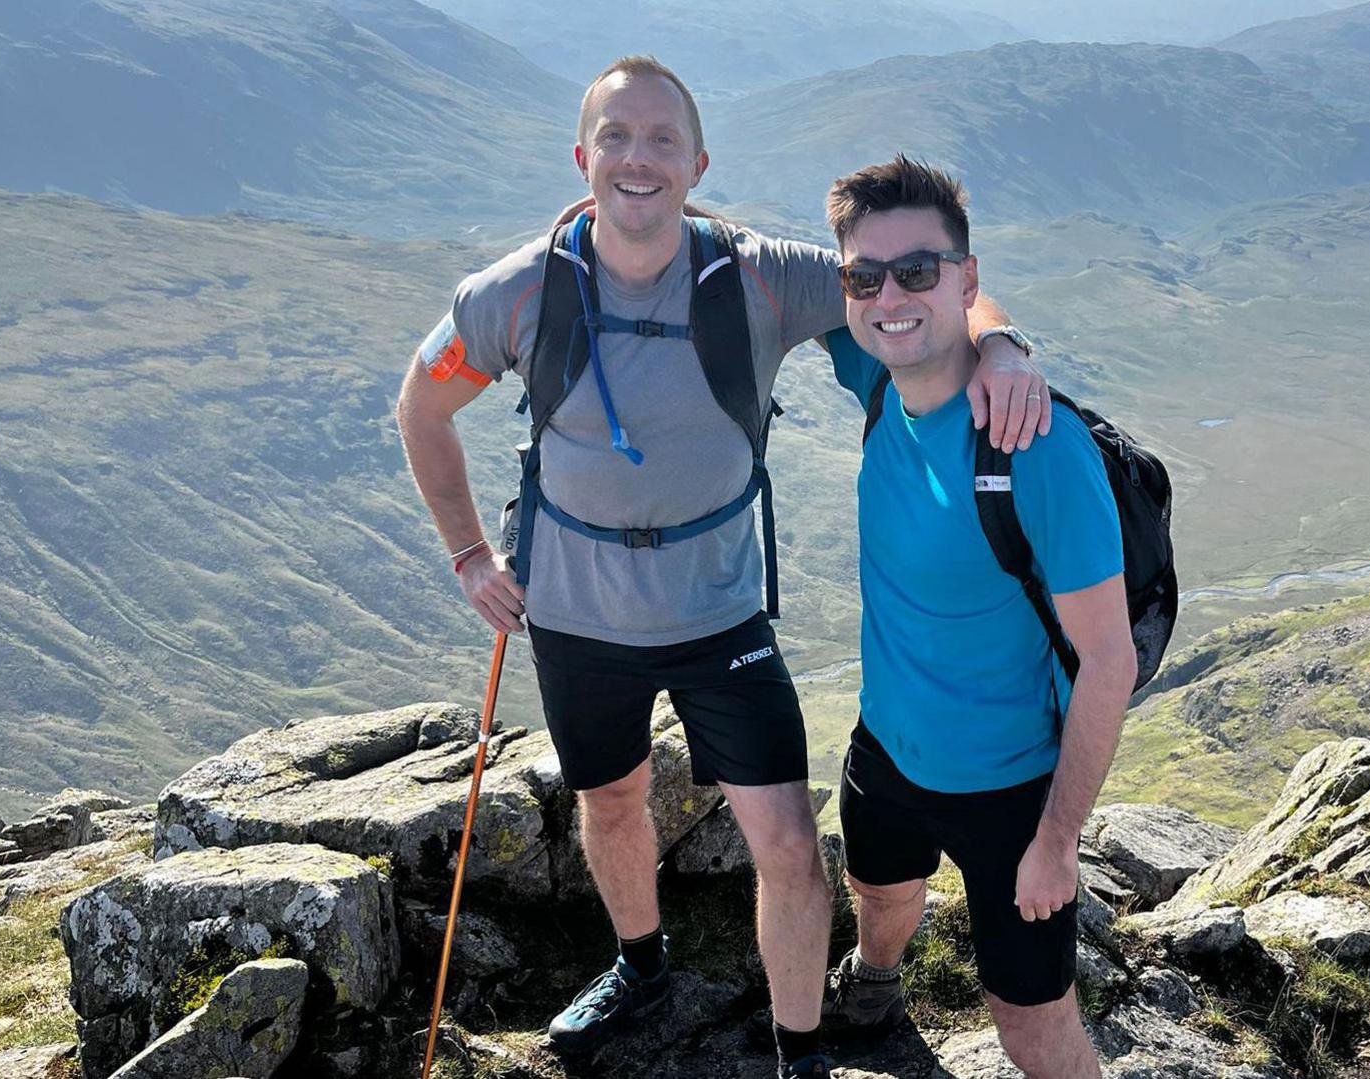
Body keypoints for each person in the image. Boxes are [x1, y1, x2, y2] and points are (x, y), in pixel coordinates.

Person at [393, 58, 1049, 1079]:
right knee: (609, 800)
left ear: (697, 163)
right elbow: (421, 405)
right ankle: (639, 964)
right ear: (582, 157)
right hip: (576, 609)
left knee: (786, 836)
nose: (637, 158)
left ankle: (799, 1050)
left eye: (661, 139)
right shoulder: (517, 291)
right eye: (616, 137)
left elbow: (913, 273)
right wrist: (472, 555)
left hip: (720, 612)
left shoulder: (756, 273)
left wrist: (999, 343)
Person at [817, 157, 1135, 1079]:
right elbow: (706, 235)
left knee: (1030, 1025)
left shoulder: (1035, 445)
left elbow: (1107, 660)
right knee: (877, 889)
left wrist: (1056, 844)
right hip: (887, 745)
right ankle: (874, 982)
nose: (889, 296)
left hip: (1009, 790)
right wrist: (606, 202)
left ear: (967, 277)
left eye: (919, 270)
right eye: (864, 276)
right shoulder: (874, 372)